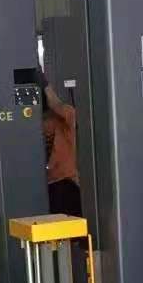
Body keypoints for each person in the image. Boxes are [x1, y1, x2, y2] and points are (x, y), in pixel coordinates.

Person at [42, 80, 82, 216]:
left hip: (63, 183)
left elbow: (54, 103)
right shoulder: (47, 122)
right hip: (56, 185)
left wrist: (45, 84)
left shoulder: (66, 118)